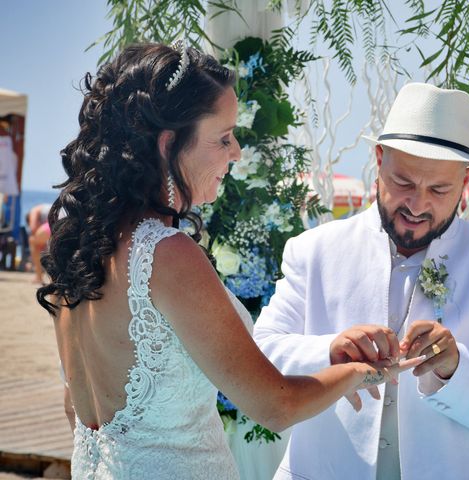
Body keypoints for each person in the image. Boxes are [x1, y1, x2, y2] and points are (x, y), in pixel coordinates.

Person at [35, 43, 420, 479]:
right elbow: (276, 405)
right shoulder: (166, 254)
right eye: (223, 137)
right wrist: (359, 374)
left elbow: (76, 412)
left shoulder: (76, 252)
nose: (236, 152)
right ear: (168, 145)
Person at [254, 83, 469, 480]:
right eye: (404, 183)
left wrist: (457, 368)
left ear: (467, 180)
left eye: (438, 189)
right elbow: (259, 358)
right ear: (378, 160)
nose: (416, 204)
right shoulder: (313, 250)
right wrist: (330, 350)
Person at [26, 203, 52, 283]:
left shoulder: (34, 210)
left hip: (56, 223)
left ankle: (38, 277)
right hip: (68, 222)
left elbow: (33, 228)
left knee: (32, 240)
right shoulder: (46, 209)